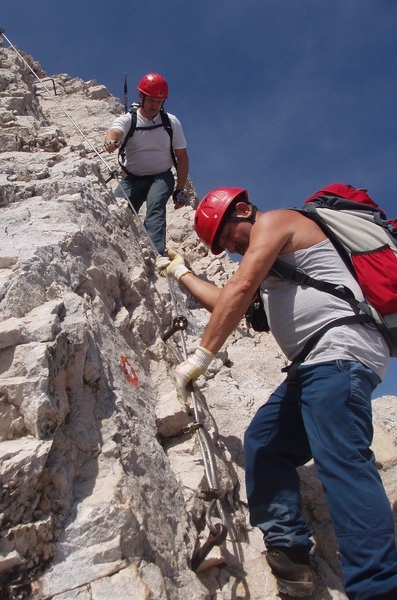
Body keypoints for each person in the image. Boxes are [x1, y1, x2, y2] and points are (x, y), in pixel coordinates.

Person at [156, 186, 397, 600]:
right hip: (313, 367)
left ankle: (378, 586)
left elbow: (240, 285)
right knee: (265, 443)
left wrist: (200, 358)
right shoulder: (275, 277)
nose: (232, 250)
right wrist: (182, 274)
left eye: (232, 239)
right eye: (226, 248)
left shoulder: (277, 221)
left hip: (339, 354)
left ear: (245, 209)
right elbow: (227, 301)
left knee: (341, 458)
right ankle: (291, 556)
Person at [104, 72, 189, 255]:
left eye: (159, 102)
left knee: (156, 205)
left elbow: (181, 157)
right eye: (151, 100)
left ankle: (155, 252)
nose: (155, 106)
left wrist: (180, 190)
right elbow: (115, 131)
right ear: (141, 96)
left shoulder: (170, 122)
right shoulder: (129, 119)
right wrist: (111, 141)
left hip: (161, 176)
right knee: (115, 209)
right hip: (134, 178)